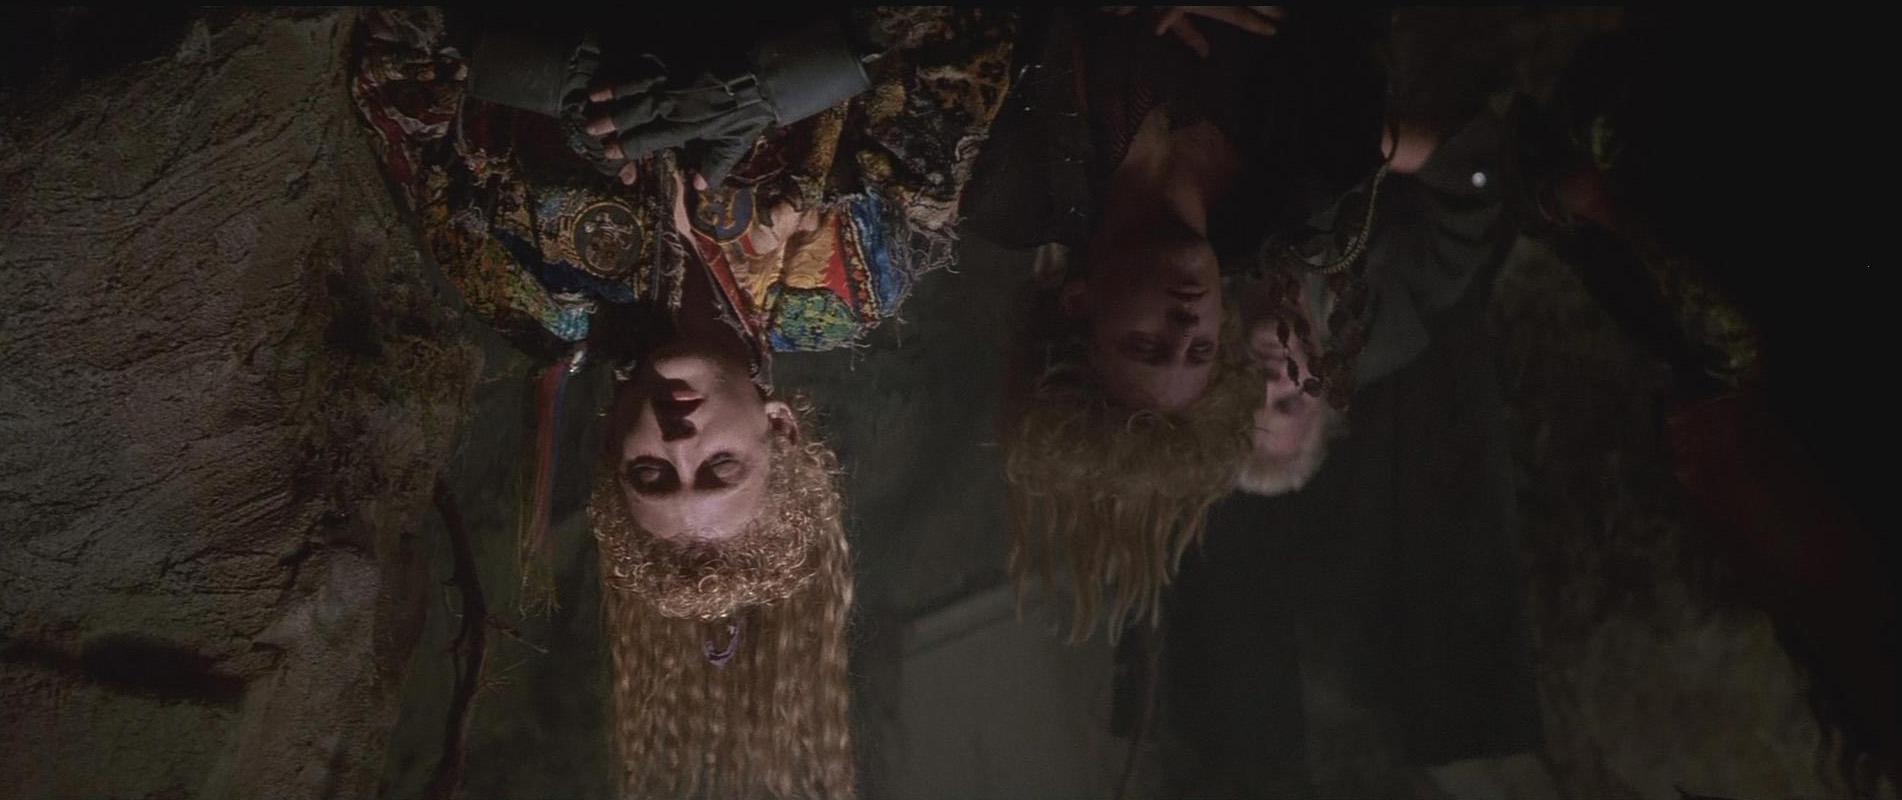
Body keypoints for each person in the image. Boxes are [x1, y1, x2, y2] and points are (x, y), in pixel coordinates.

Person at [350, 7, 1014, 796]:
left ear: (613, 446)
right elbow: (969, 38)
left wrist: (555, 75)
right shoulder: (847, 279)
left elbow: (388, 68)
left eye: (652, 474)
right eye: (720, 466)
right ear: (780, 427)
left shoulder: (531, 290)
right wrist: (774, 84)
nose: (678, 437)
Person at [966, 7, 1386, 636]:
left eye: (1147, 343)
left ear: (1079, 303)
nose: (1187, 323)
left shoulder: (1011, 185)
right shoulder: (1309, 175)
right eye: (1200, 350)